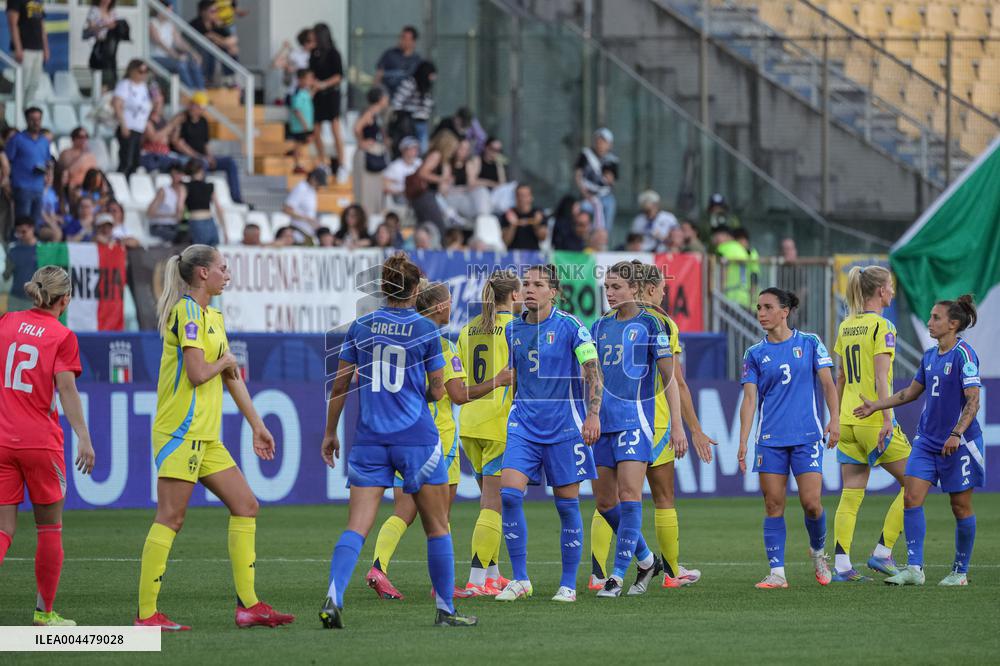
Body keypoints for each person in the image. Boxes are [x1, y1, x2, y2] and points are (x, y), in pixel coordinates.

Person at [135, 245, 294, 630]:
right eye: (223, 268)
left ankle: (249, 606)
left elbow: (230, 377)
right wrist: (224, 361)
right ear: (203, 273)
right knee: (171, 517)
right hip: (180, 431)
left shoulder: (212, 316)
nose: (228, 274)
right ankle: (146, 615)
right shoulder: (186, 312)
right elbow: (197, 373)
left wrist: (257, 424)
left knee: (246, 505)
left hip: (206, 436)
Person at [319, 253, 477, 629]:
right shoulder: (427, 330)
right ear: (415, 289)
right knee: (437, 526)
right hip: (417, 440)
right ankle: (445, 610)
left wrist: (330, 432)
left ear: (383, 287)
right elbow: (437, 391)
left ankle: (333, 597)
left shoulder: (360, 326)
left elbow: (340, 385)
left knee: (357, 526)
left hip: (369, 440)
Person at [366, 279, 511, 599]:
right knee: (440, 520)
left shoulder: (399, 342)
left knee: (403, 512)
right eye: (449, 302)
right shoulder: (441, 345)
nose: (451, 307)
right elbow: (457, 394)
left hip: (400, 435)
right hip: (437, 440)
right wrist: (498, 380)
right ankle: (441, 585)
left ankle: (378, 567)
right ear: (440, 306)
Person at [589, 262, 711, 591]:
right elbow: (595, 376)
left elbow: (672, 379)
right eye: (607, 287)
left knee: (633, 494)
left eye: (616, 287)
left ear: (635, 288)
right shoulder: (600, 326)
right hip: (612, 422)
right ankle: (654, 563)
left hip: (641, 421)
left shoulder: (654, 325)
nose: (610, 293)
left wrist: (681, 427)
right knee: (609, 500)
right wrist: (591, 413)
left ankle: (614, 575)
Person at [854, 295, 983, 587]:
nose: (929, 322)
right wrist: (877, 405)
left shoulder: (964, 355)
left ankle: (959, 572)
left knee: (960, 507)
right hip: (926, 441)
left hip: (958, 443)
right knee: (911, 498)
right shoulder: (930, 355)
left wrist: (956, 434)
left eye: (936, 317)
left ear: (953, 324)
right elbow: (910, 393)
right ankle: (914, 568)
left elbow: (973, 401)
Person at [495, 264, 602, 603]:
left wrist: (593, 414)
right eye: (526, 283)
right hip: (523, 425)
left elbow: (593, 371)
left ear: (553, 292)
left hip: (564, 428)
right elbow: (517, 374)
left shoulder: (571, 326)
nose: (530, 289)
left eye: (538, 284)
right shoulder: (512, 329)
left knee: (567, 505)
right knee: (509, 495)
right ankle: (520, 579)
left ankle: (568, 584)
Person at [0, 266, 95, 627]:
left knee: (3, 529)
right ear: (65, 299)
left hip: (2, 440)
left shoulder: (7, 321)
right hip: (39, 443)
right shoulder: (62, 335)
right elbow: (66, 389)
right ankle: (44, 613)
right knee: (49, 528)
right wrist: (83, 436)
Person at [738, 287, 839, 589]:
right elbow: (749, 399)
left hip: (806, 436)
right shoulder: (754, 353)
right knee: (773, 505)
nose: (761, 313)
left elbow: (828, 384)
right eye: (759, 307)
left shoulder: (810, 343)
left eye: (768, 307)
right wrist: (743, 441)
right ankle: (777, 573)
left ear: (785, 312)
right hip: (770, 440)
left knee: (812, 503)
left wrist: (835, 419)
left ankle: (818, 552)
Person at [830, 266, 911, 582]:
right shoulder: (882, 326)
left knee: (850, 495)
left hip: (848, 420)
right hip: (873, 418)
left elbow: (840, 376)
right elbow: (880, 377)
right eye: (890, 286)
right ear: (880, 291)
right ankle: (883, 552)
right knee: (916, 481)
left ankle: (841, 567)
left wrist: (835, 419)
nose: (892, 291)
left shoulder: (846, 325)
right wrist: (887, 418)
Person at [452, 271, 521, 595]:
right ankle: (477, 580)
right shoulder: (518, 329)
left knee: (489, 500)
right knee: (493, 503)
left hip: (469, 422)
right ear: (515, 295)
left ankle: (493, 574)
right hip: (499, 423)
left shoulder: (468, 329)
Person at [171, 92, 244, 204]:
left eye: (202, 107)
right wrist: (199, 156)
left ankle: (236, 198)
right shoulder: (182, 120)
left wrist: (210, 157)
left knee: (230, 163)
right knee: (202, 163)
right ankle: (203, 199)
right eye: (200, 107)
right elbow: (179, 144)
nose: (202, 110)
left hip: (201, 157)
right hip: (186, 158)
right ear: (193, 105)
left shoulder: (203, 121)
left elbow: (205, 144)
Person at [309, 23, 344, 177]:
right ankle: (322, 161)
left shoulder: (333, 53)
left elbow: (338, 76)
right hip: (317, 94)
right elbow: (311, 73)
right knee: (316, 129)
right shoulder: (314, 53)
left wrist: (323, 84)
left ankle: (342, 163)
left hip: (331, 93)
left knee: (335, 127)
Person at [5, 107, 50, 228]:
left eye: (38, 119)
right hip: (22, 186)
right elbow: (7, 161)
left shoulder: (44, 141)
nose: (36, 123)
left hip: (38, 186)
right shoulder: (17, 139)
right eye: (32, 119)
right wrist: (7, 182)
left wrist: (47, 173)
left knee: (36, 223)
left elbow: (47, 161)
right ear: (26, 120)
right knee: (23, 223)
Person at [149, 3, 205, 91]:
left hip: (169, 57)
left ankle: (201, 91)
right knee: (181, 64)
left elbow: (179, 42)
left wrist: (194, 53)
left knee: (194, 62)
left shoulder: (170, 24)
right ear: (160, 10)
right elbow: (159, 42)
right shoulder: (152, 22)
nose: (171, 13)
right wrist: (176, 56)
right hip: (156, 57)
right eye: (169, 10)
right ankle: (190, 92)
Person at [112, 60, 153, 176]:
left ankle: (130, 181)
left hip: (139, 128)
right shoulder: (125, 84)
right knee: (126, 161)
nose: (143, 74)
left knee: (135, 161)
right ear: (132, 71)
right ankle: (121, 181)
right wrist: (123, 125)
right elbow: (117, 104)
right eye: (140, 71)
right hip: (128, 127)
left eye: (145, 72)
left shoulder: (143, 86)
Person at [353, 87, 389, 215]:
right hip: (368, 154)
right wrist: (361, 141)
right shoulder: (369, 113)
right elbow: (357, 127)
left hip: (377, 153)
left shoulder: (378, 114)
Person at [409, 132, 455, 234]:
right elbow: (422, 173)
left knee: (427, 228)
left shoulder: (441, 159)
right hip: (424, 195)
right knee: (436, 228)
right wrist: (441, 179)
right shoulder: (436, 155)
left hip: (430, 196)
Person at [5, 0, 48, 103]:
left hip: (38, 48)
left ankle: (27, 110)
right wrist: (18, 48)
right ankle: (16, 110)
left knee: (34, 84)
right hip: (25, 49)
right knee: (22, 84)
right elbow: (12, 24)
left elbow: (41, 25)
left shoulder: (37, 1)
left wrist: (45, 47)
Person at [575, 128, 618, 230]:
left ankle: (604, 236)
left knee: (610, 205)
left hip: (605, 196)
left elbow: (612, 182)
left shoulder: (612, 160)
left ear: (609, 144)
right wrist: (584, 193)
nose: (600, 144)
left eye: (604, 141)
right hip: (588, 196)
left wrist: (609, 179)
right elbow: (578, 175)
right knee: (583, 211)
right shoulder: (586, 154)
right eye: (599, 140)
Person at [390, 60, 436, 154]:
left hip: (423, 122)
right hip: (410, 123)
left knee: (423, 150)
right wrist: (403, 115)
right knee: (410, 149)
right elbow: (397, 101)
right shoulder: (410, 83)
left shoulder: (426, 87)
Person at [190, 0, 238, 87]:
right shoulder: (196, 24)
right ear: (203, 12)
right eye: (212, 11)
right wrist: (221, 41)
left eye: (217, 11)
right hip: (199, 52)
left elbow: (232, 39)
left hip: (215, 49)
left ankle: (229, 79)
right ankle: (208, 79)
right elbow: (205, 40)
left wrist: (217, 38)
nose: (216, 14)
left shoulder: (216, 24)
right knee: (211, 49)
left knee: (231, 49)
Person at [444, 138, 491, 225]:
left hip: (465, 196)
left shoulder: (468, 164)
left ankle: (483, 219)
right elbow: (445, 189)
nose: (463, 152)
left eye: (466, 149)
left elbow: (471, 184)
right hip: (451, 197)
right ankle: (481, 219)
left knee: (482, 191)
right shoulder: (448, 164)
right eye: (462, 148)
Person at [185, 159, 227, 246]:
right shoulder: (209, 186)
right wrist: (225, 230)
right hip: (210, 221)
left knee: (200, 252)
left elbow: (180, 206)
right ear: (201, 170)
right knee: (212, 251)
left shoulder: (186, 186)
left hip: (196, 220)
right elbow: (219, 208)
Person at [140, 91, 184, 174]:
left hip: (165, 155)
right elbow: (154, 138)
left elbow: (171, 141)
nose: (157, 106)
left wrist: (177, 126)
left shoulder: (164, 121)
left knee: (182, 163)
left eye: (159, 103)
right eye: (155, 102)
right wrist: (171, 125)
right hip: (151, 155)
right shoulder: (146, 119)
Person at [374, 26, 420, 97]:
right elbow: (379, 74)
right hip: (388, 98)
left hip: (408, 99)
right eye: (401, 37)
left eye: (405, 38)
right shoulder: (390, 54)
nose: (401, 40)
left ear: (413, 41)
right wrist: (376, 93)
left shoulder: (417, 60)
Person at [146, 163, 186, 245]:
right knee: (178, 237)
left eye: (178, 174)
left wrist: (181, 198)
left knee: (190, 235)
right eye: (174, 174)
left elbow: (179, 215)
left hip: (174, 226)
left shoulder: (183, 191)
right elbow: (150, 213)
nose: (176, 177)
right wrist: (170, 215)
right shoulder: (164, 191)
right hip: (159, 226)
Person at [712, 226, 752, 309]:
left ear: (726, 236)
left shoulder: (723, 248)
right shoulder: (740, 248)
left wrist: (720, 289)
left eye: (717, 235)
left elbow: (722, 271)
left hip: (729, 295)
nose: (714, 239)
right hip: (744, 295)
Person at [283, 167, 325, 244]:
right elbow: (287, 209)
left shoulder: (312, 190)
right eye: (318, 182)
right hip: (298, 232)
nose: (319, 185)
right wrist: (307, 219)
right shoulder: (301, 188)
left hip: (308, 233)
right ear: (313, 178)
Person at [84, 0, 120, 88]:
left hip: (110, 45)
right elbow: (91, 27)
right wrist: (105, 26)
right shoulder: (94, 10)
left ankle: (109, 86)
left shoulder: (112, 11)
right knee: (99, 68)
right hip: (99, 43)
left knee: (111, 69)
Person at [271, 29, 314, 102]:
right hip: (294, 92)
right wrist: (283, 48)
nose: (314, 43)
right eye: (311, 41)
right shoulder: (296, 54)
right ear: (305, 42)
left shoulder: (316, 56)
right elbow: (275, 64)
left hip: (310, 94)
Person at [5, 217, 38, 310]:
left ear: (32, 229)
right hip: (15, 298)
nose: (20, 235)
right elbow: (6, 275)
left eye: (23, 231)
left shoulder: (43, 250)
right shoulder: (13, 250)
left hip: (34, 300)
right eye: (17, 232)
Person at [501, 184, 546, 251]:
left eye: (525, 196)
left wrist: (536, 224)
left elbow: (543, 238)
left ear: (531, 197)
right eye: (519, 196)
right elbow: (506, 242)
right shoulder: (508, 214)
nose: (522, 199)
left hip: (533, 253)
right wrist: (512, 225)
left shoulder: (538, 213)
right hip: (513, 253)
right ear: (515, 197)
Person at [287, 69, 315, 174]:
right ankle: (297, 164)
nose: (310, 81)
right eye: (308, 79)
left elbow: (309, 96)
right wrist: (304, 123)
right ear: (300, 80)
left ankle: (296, 157)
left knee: (303, 143)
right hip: (300, 126)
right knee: (298, 144)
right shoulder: (297, 93)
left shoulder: (304, 92)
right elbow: (297, 110)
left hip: (305, 126)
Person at [382, 136, 421, 206]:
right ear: (403, 150)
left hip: (417, 196)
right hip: (400, 197)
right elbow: (385, 186)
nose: (413, 151)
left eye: (415, 148)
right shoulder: (395, 166)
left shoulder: (420, 163)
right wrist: (402, 192)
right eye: (410, 148)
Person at [57, 128, 98, 192]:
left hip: (88, 190)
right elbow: (69, 172)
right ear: (73, 139)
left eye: (86, 137)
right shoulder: (66, 153)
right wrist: (82, 157)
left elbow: (94, 175)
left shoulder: (90, 156)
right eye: (81, 137)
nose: (84, 140)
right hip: (71, 190)